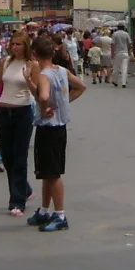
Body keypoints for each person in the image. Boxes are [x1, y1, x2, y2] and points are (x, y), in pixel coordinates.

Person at [27, 37, 87, 231]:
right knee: (47, 172)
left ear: (34, 54)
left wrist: (44, 109)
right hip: (60, 127)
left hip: (48, 127)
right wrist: (64, 102)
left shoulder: (44, 75)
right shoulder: (61, 71)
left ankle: (60, 214)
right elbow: (81, 87)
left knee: (52, 173)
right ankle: (45, 210)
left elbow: (43, 96)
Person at [0, 30, 40, 216]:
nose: (15, 47)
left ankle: (17, 201)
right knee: (7, 156)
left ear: (26, 46)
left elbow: (37, 94)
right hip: (4, 111)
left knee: (19, 156)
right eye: (13, 44)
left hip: (23, 111)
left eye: (19, 44)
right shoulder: (5, 62)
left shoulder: (32, 65)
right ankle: (24, 190)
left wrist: (28, 81)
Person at [111, 23, 132, 88]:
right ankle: (123, 83)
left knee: (116, 68)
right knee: (124, 68)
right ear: (123, 27)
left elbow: (112, 44)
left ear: (118, 27)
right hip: (125, 52)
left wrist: (112, 53)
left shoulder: (115, 34)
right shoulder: (126, 34)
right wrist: (128, 51)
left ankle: (115, 81)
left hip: (117, 53)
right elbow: (130, 44)